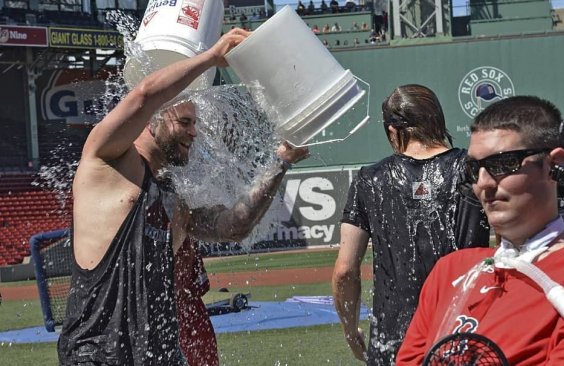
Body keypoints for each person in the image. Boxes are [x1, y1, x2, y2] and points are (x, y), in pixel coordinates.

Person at [57, 28, 309, 365]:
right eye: (185, 122)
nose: (194, 132)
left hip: (158, 355)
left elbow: (234, 226)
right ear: (154, 120)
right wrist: (209, 58)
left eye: (196, 123)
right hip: (96, 353)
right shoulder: (105, 162)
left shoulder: (175, 199)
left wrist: (281, 162)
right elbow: (144, 95)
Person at [396, 96, 564, 365]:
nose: (483, 183)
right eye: (474, 169)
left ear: (553, 164)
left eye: (503, 164)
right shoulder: (449, 271)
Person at [332, 84, 490, 365]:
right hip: (467, 326)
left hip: (394, 339)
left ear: (392, 131)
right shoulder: (472, 169)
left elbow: (345, 270)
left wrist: (349, 329)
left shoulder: (370, 179)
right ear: (437, 121)